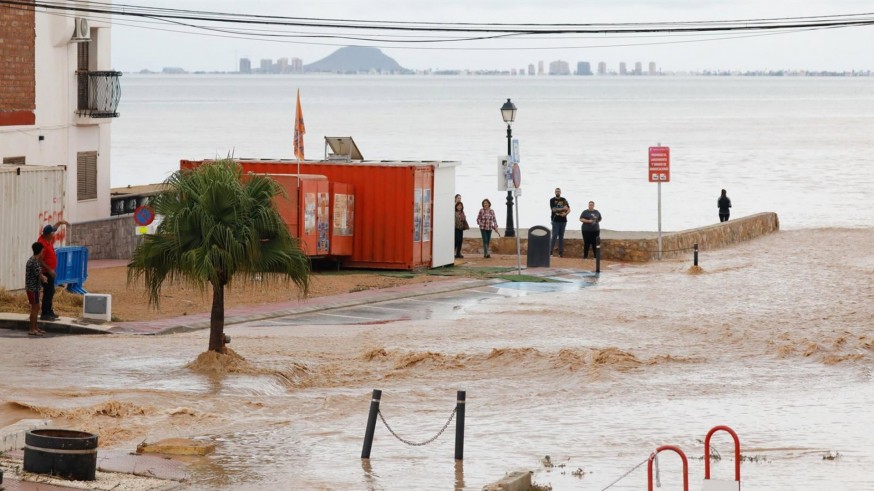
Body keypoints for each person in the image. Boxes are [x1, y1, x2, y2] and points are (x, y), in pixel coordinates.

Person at [37, 220, 69, 321]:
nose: (53, 235)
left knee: (51, 291)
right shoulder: (41, 244)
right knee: (48, 292)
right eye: (52, 233)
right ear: (48, 234)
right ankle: (45, 313)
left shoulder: (47, 239)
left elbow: (53, 228)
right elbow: (39, 260)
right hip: (45, 273)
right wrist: (50, 270)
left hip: (49, 271)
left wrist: (60, 222)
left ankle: (49, 311)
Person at [25, 242, 48, 336]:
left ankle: (35, 327)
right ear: (40, 251)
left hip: (34, 288)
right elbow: (39, 275)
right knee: (35, 308)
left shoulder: (33, 260)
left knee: (36, 307)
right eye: (43, 251)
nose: (43, 253)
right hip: (32, 288)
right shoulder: (34, 262)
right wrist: (45, 279)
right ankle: (32, 329)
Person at [549, 188, 570, 257]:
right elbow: (554, 210)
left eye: (559, 191)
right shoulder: (552, 200)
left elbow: (569, 209)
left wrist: (566, 214)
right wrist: (563, 208)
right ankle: (550, 252)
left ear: (560, 192)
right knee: (554, 236)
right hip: (555, 221)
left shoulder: (564, 199)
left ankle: (560, 253)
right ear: (555, 192)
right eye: (556, 191)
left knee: (561, 237)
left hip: (563, 221)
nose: (557, 192)